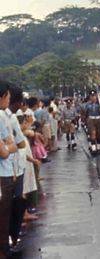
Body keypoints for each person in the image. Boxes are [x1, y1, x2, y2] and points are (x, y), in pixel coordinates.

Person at [0, 81, 19, 258]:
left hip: (5, 173)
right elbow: (6, 151)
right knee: (3, 217)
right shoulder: (0, 117)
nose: (9, 98)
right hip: (2, 176)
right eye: (7, 95)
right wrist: (7, 148)